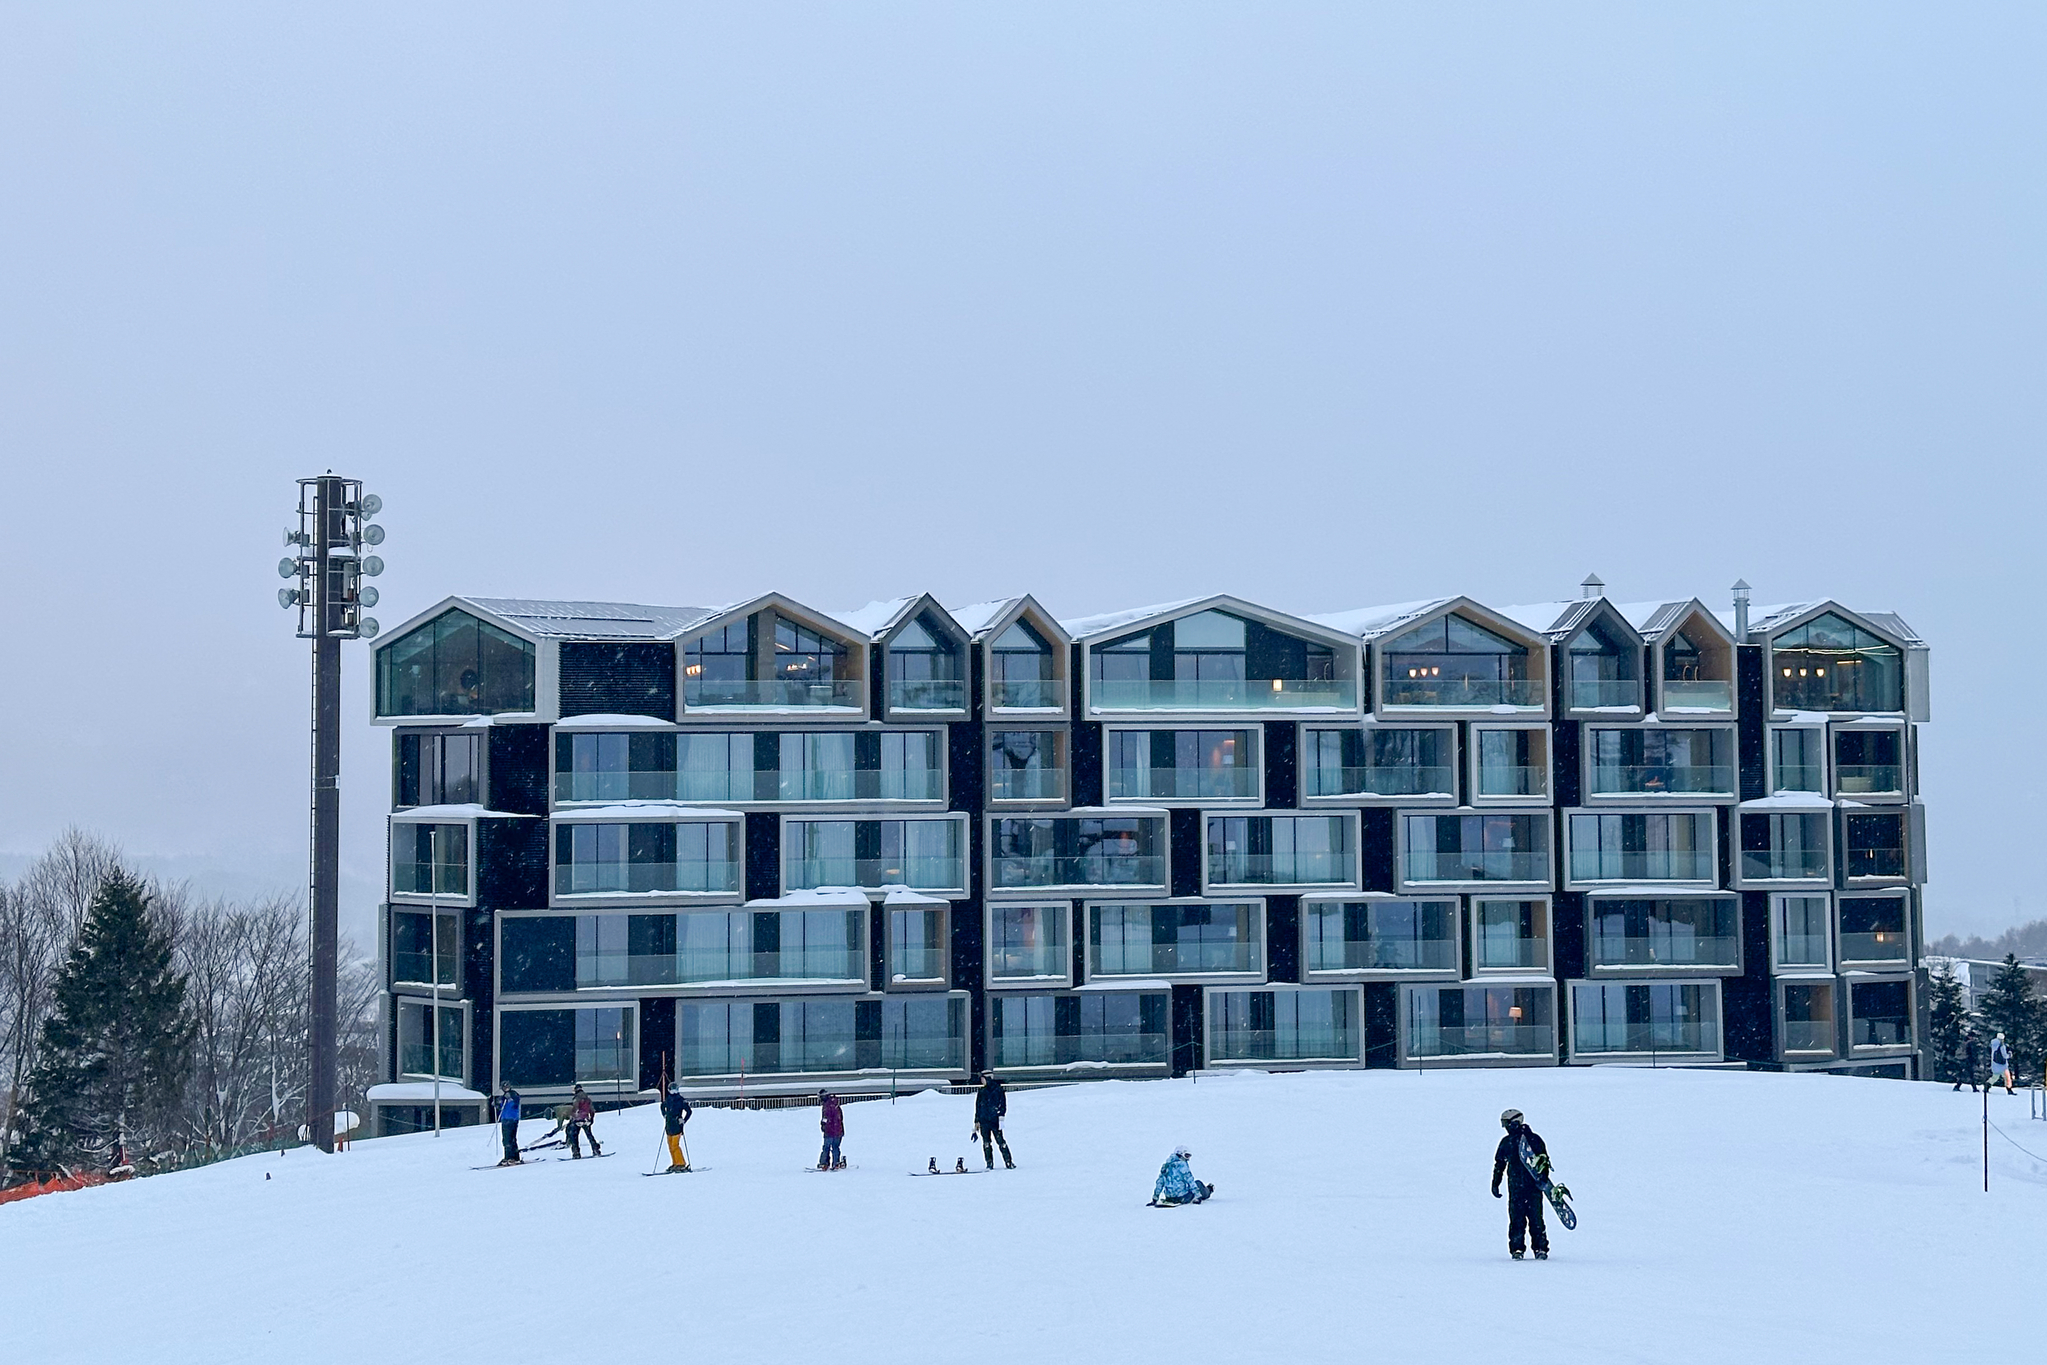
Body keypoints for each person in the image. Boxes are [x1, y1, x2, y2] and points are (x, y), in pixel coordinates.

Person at [1490, 1108, 1549, 1260]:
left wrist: (1543, 1178)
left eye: (1506, 1123)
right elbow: (1499, 1164)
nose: (1505, 1127)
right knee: (1516, 1220)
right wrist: (1496, 1183)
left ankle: (1540, 1248)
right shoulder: (1506, 1142)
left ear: (1515, 1122)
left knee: (1536, 1219)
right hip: (1515, 1189)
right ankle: (1517, 1249)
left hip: (1533, 1188)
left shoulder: (1534, 1140)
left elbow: (1544, 1161)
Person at [972, 1070, 1013, 1170]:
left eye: (982, 1078)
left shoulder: (998, 1090)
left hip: (994, 1121)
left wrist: (1001, 1117)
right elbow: (978, 1107)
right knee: (987, 1143)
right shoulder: (982, 1091)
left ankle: (1008, 1161)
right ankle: (990, 1163)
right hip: (984, 1121)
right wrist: (976, 1121)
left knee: (999, 1141)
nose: (981, 1081)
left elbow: (1003, 1105)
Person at [1148, 1145, 1213, 1207]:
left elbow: (1160, 1183)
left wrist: (1155, 1199)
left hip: (1169, 1198)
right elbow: (1190, 1181)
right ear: (1180, 1154)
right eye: (1186, 1156)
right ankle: (1209, 1189)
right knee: (1198, 1183)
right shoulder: (1182, 1165)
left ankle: (1206, 1189)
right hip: (1182, 1198)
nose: (1188, 1159)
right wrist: (1198, 1196)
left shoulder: (1166, 1166)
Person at [660, 1083, 693, 1173]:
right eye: (672, 1089)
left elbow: (689, 1111)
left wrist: (684, 1120)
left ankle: (681, 1163)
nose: (674, 1091)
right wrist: (665, 1114)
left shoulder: (681, 1100)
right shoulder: (668, 1099)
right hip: (669, 1124)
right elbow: (662, 1106)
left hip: (677, 1125)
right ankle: (675, 1163)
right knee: (670, 1145)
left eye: (675, 1089)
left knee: (675, 1145)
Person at [568, 1084, 602, 1158]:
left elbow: (575, 1108)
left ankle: (576, 1153)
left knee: (574, 1136)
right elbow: (592, 1110)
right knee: (589, 1135)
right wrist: (591, 1118)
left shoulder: (577, 1098)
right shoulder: (587, 1098)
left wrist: (573, 1116)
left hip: (577, 1120)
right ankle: (596, 1150)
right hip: (586, 1119)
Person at [493, 1086, 523, 1166]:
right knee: (507, 1139)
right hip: (505, 1119)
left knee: (509, 1139)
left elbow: (516, 1102)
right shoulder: (504, 1097)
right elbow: (502, 1107)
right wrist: (497, 1104)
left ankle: (512, 1157)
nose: (505, 1088)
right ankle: (510, 1156)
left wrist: (510, 1098)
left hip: (512, 1119)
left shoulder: (513, 1094)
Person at [818, 1091, 846, 1170]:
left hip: (829, 1131)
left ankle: (823, 1163)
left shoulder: (826, 1106)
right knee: (835, 1147)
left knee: (826, 1147)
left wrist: (823, 1126)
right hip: (838, 1131)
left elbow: (826, 1118)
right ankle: (836, 1163)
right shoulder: (836, 1104)